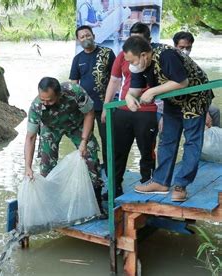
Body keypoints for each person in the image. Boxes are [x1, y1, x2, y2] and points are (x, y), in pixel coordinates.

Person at [123, 36, 214, 202]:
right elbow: (135, 89)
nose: (131, 65)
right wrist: (129, 96)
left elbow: (182, 82)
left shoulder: (166, 55)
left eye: (133, 61)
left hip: (195, 96)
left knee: (192, 141)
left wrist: (151, 91)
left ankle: (181, 185)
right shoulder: (140, 66)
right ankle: (160, 182)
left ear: (144, 55)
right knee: (166, 139)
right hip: (173, 100)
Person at [24, 77, 105, 214]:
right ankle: (51, 207)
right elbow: (30, 137)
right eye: (42, 99)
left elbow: (89, 114)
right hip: (51, 128)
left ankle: (97, 203)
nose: (46, 103)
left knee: (90, 157)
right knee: (46, 165)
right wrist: (27, 167)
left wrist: (84, 141)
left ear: (59, 94)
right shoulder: (36, 106)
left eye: (49, 100)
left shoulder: (74, 92)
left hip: (77, 124)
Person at [101, 23, 158, 199]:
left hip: (148, 110)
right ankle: (114, 186)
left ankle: (147, 183)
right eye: (132, 39)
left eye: (139, 40)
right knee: (118, 150)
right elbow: (114, 81)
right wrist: (106, 105)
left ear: (148, 41)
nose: (135, 44)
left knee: (147, 150)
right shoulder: (122, 56)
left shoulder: (155, 57)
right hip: (124, 109)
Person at [70, 25, 116, 174]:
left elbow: (115, 79)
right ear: (78, 40)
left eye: (88, 35)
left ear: (94, 36)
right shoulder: (78, 59)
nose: (85, 38)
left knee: (108, 141)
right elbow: (74, 84)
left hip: (106, 107)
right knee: (86, 140)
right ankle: (93, 172)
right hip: (85, 108)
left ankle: (113, 179)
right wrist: (74, 107)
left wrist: (107, 105)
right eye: (82, 37)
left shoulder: (107, 53)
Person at [172, 31, 220, 128]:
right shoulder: (169, 62)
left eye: (188, 48)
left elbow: (204, 90)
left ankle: (216, 139)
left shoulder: (193, 65)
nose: (185, 50)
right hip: (175, 103)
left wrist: (205, 110)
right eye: (182, 47)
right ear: (175, 46)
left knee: (214, 111)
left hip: (196, 101)